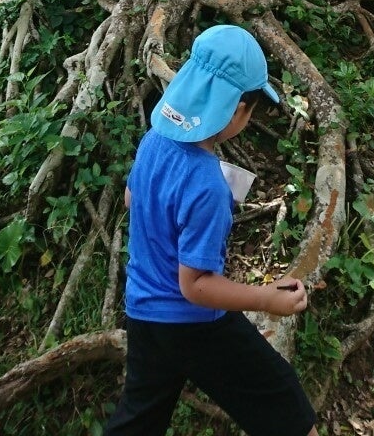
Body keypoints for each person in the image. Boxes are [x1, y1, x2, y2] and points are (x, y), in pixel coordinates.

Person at [104, 24, 319, 436]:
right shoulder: (207, 185)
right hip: (194, 324)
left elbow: (132, 199)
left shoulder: (153, 142)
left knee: (138, 420)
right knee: (284, 404)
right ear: (237, 110)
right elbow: (195, 286)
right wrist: (266, 299)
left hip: (143, 313)